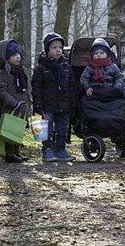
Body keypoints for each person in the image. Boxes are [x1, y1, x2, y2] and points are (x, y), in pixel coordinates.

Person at [32, 33, 76, 162]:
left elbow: (71, 86)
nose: (57, 50)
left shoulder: (66, 67)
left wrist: (72, 101)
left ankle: (60, 149)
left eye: (60, 47)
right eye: (54, 47)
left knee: (62, 129)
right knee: (46, 129)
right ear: (47, 50)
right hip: (48, 104)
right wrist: (38, 104)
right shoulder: (41, 68)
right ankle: (47, 150)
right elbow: (36, 88)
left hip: (64, 104)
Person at [0, 39, 31, 163]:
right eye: (13, 55)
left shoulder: (20, 71)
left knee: (18, 130)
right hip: (10, 107)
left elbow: (25, 89)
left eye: (18, 54)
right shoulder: (4, 73)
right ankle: (9, 153)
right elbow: (1, 90)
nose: (18, 57)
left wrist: (28, 104)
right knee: (9, 129)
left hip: (21, 106)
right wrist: (12, 102)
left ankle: (16, 151)